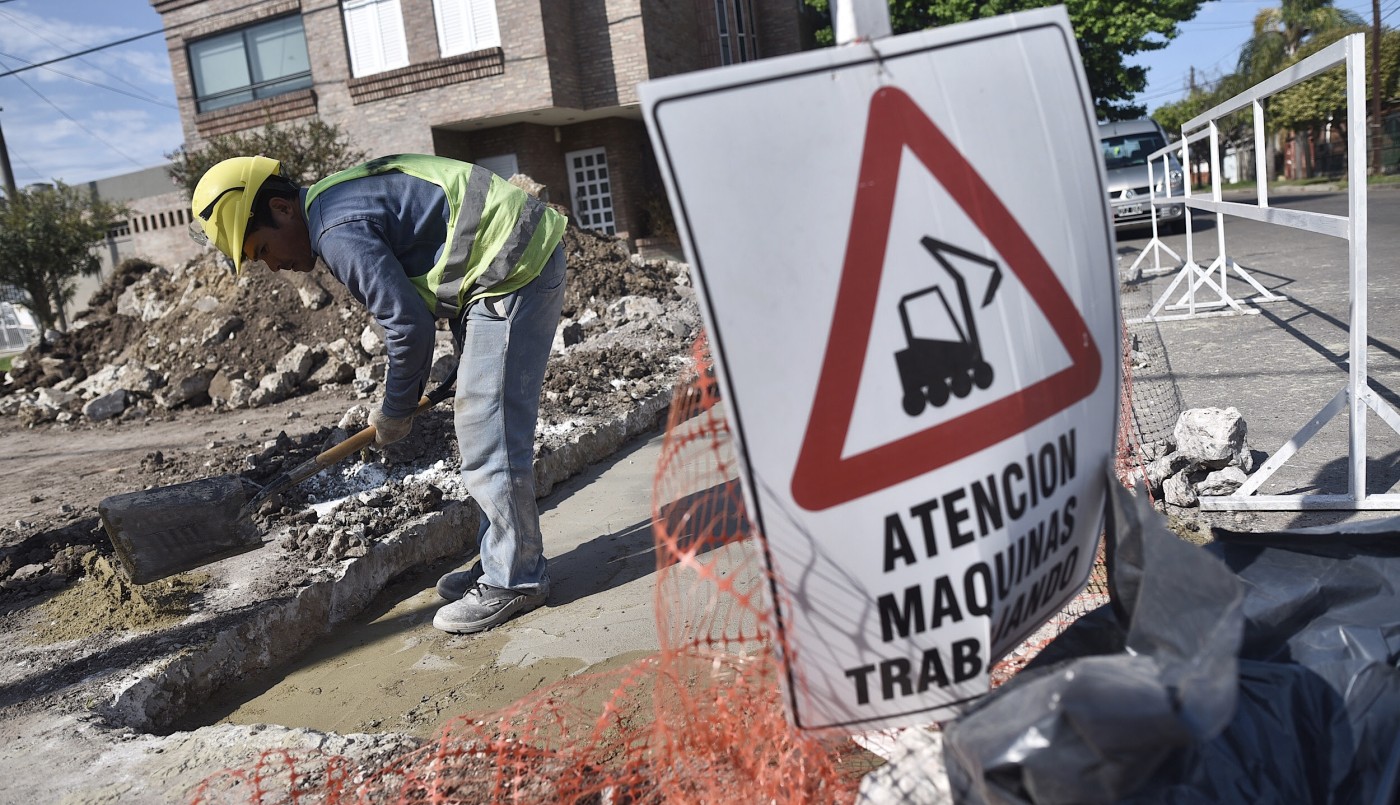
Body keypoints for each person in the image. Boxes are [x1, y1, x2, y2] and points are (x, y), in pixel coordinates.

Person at [189, 153, 568, 635]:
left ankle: (515, 579)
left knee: (487, 430)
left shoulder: (334, 229)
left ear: (283, 209)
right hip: (504, 267)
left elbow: (406, 325)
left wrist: (395, 411)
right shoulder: (335, 202)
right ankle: (503, 558)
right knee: (484, 426)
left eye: (262, 249)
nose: (275, 265)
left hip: (513, 268)